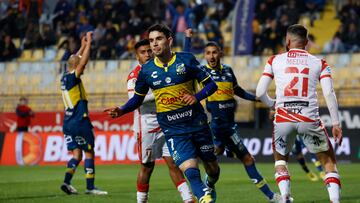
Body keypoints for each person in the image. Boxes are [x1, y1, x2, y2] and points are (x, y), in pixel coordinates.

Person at [105, 24, 220, 203]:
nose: (154, 44)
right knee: (189, 168)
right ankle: (204, 198)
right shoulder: (147, 71)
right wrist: (121, 110)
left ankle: (210, 183)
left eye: (158, 39)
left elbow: (212, 85)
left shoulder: (187, 60)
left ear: (169, 40)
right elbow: (137, 99)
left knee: (213, 169)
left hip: (197, 124)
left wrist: (196, 97)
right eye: (151, 40)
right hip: (173, 128)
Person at [256, 24, 342, 203]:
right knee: (328, 162)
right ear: (307, 42)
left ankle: (285, 197)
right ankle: (335, 201)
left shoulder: (274, 60)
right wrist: (336, 123)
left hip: (283, 118)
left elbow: (259, 93)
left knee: (280, 160)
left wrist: (273, 104)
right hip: (309, 118)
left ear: (287, 41)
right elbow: (329, 93)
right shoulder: (320, 63)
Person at [197, 41, 282, 203]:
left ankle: (272, 197)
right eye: (208, 53)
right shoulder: (202, 73)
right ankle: (207, 186)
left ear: (220, 53)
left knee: (241, 159)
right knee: (218, 164)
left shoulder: (228, 71)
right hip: (214, 127)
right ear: (205, 55)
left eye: (214, 52)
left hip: (229, 127)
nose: (212, 56)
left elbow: (238, 90)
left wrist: (256, 98)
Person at [128, 39, 193, 203]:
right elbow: (134, 99)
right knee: (147, 167)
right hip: (147, 125)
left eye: (149, 51)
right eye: (143, 52)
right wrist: (160, 92)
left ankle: (188, 199)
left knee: (174, 163)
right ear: (137, 57)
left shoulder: (162, 69)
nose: (147, 54)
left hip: (166, 123)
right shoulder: (134, 75)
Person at [60, 31, 107, 195]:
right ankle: (90, 187)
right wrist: (89, 44)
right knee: (89, 152)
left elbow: (74, 60)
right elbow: (81, 62)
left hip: (67, 123)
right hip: (80, 121)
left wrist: (82, 45)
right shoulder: (74, 77)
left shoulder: (65, 77)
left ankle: (66, 183)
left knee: (76, 154)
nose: (83, 66)